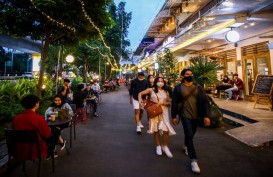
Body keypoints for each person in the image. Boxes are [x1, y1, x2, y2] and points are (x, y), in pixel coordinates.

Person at [171, 69, 211, 174]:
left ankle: (186, 145)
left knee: (191, 133)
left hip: (196, 115)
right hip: (185, 115)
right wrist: (173, 116)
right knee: (189, 134)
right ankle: (194, 160)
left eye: (191, 74)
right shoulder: (178, 87)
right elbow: (174, 102)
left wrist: (207, 116)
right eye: (187, 74)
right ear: (183, 76)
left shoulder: (198, 87)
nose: (190, 75)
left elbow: (205, 102)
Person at [138, 77, 176, 158]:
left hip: (164, 113)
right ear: (155, 82)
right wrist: (140, 101)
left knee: (166, 130)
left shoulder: (166, 92)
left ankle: (165, 146)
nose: (160, 82)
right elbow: (140, 93)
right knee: (156, 129)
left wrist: (163, 102)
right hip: (154, 112)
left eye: (162, 81)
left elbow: (169, 103)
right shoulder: (151, 90)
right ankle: (158, 146)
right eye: (158, 81)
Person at [13, 95, 58, 160]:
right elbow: (47, 135)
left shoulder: (16, 118)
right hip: (35, 148)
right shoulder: (39, 118)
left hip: (20, 148)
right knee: (56, 131)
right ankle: (50, 152)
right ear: (36, 104)